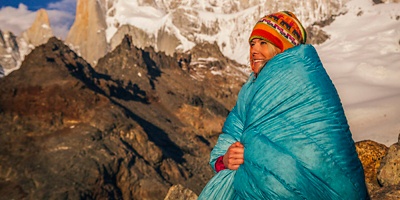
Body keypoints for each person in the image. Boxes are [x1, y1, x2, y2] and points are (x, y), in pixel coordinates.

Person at [199, 11, 368, 199]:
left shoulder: (304, 79)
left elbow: (317, 151)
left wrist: (257, 155)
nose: (254, 50)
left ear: (282, 48)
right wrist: (224, 160)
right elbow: (230, 137)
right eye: (252, 44)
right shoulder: (251, 88)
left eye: (263, 43)